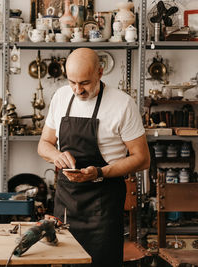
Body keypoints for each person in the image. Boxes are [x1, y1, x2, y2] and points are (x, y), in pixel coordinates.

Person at [37, 48, 150, 267]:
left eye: (85, 83)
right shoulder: (61, 97)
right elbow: (44, 145)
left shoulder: (122, 104)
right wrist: (57, 156)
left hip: (103, 204)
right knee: (65, 261)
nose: (78, 90)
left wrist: (100, 172)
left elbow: (142, 158)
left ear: (100, 72)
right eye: (72, 82)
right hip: (66, 203)